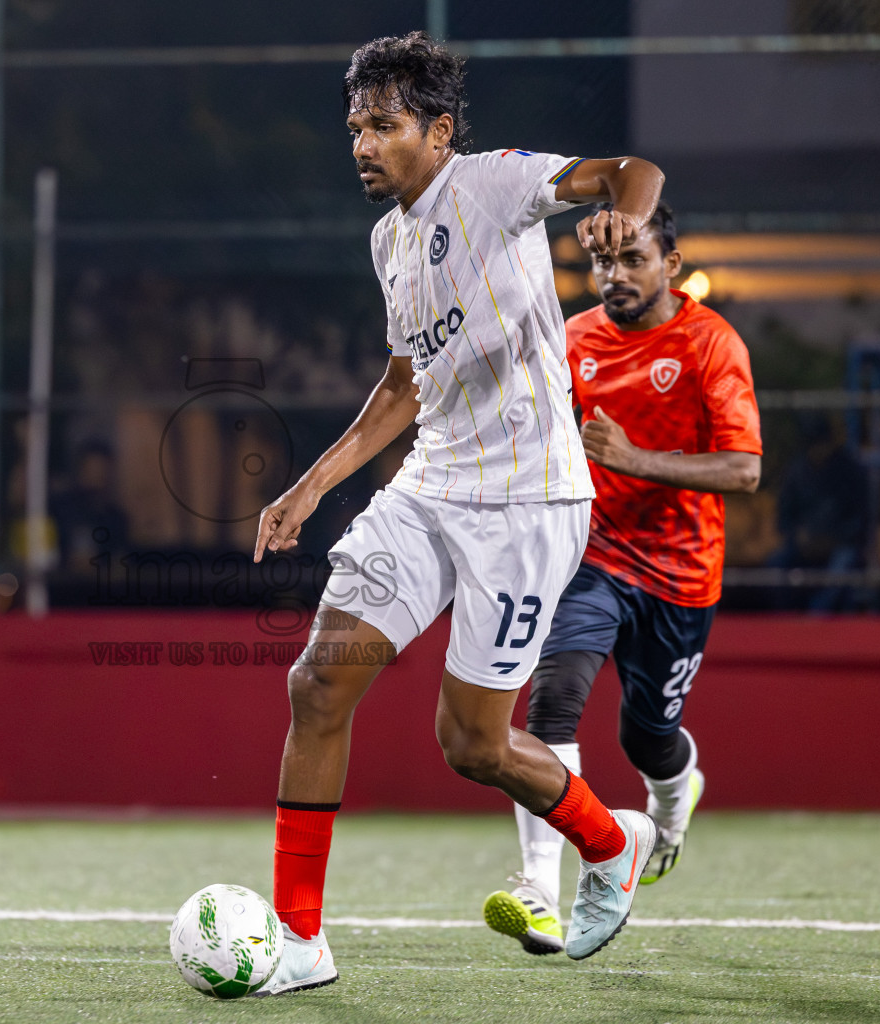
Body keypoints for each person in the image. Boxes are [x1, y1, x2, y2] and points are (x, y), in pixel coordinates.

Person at [249, 32, 667, 994]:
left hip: (529, 500)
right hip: (432, 489)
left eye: (385, 125)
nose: (363, 144)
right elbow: (404, 385)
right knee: (318, 684)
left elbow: (630, 172)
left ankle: (612, 844)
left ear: (438, 132)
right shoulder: (388, 238)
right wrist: (312, 485)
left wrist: (623, 221)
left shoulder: (492, 182)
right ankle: (301, 943)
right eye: (354, 127)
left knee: (471, 746)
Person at [485, 203, 762, 956]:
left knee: (648, 738)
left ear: (670, 265)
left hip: (680, 576)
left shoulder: (711, 343)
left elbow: (743, 469)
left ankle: (673, 802)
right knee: (554, 700)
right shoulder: (573, 340)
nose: (615, 275)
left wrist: (634, 458)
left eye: (633, 259)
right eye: (605, 263)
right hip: (591, 559)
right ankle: (540, 889)